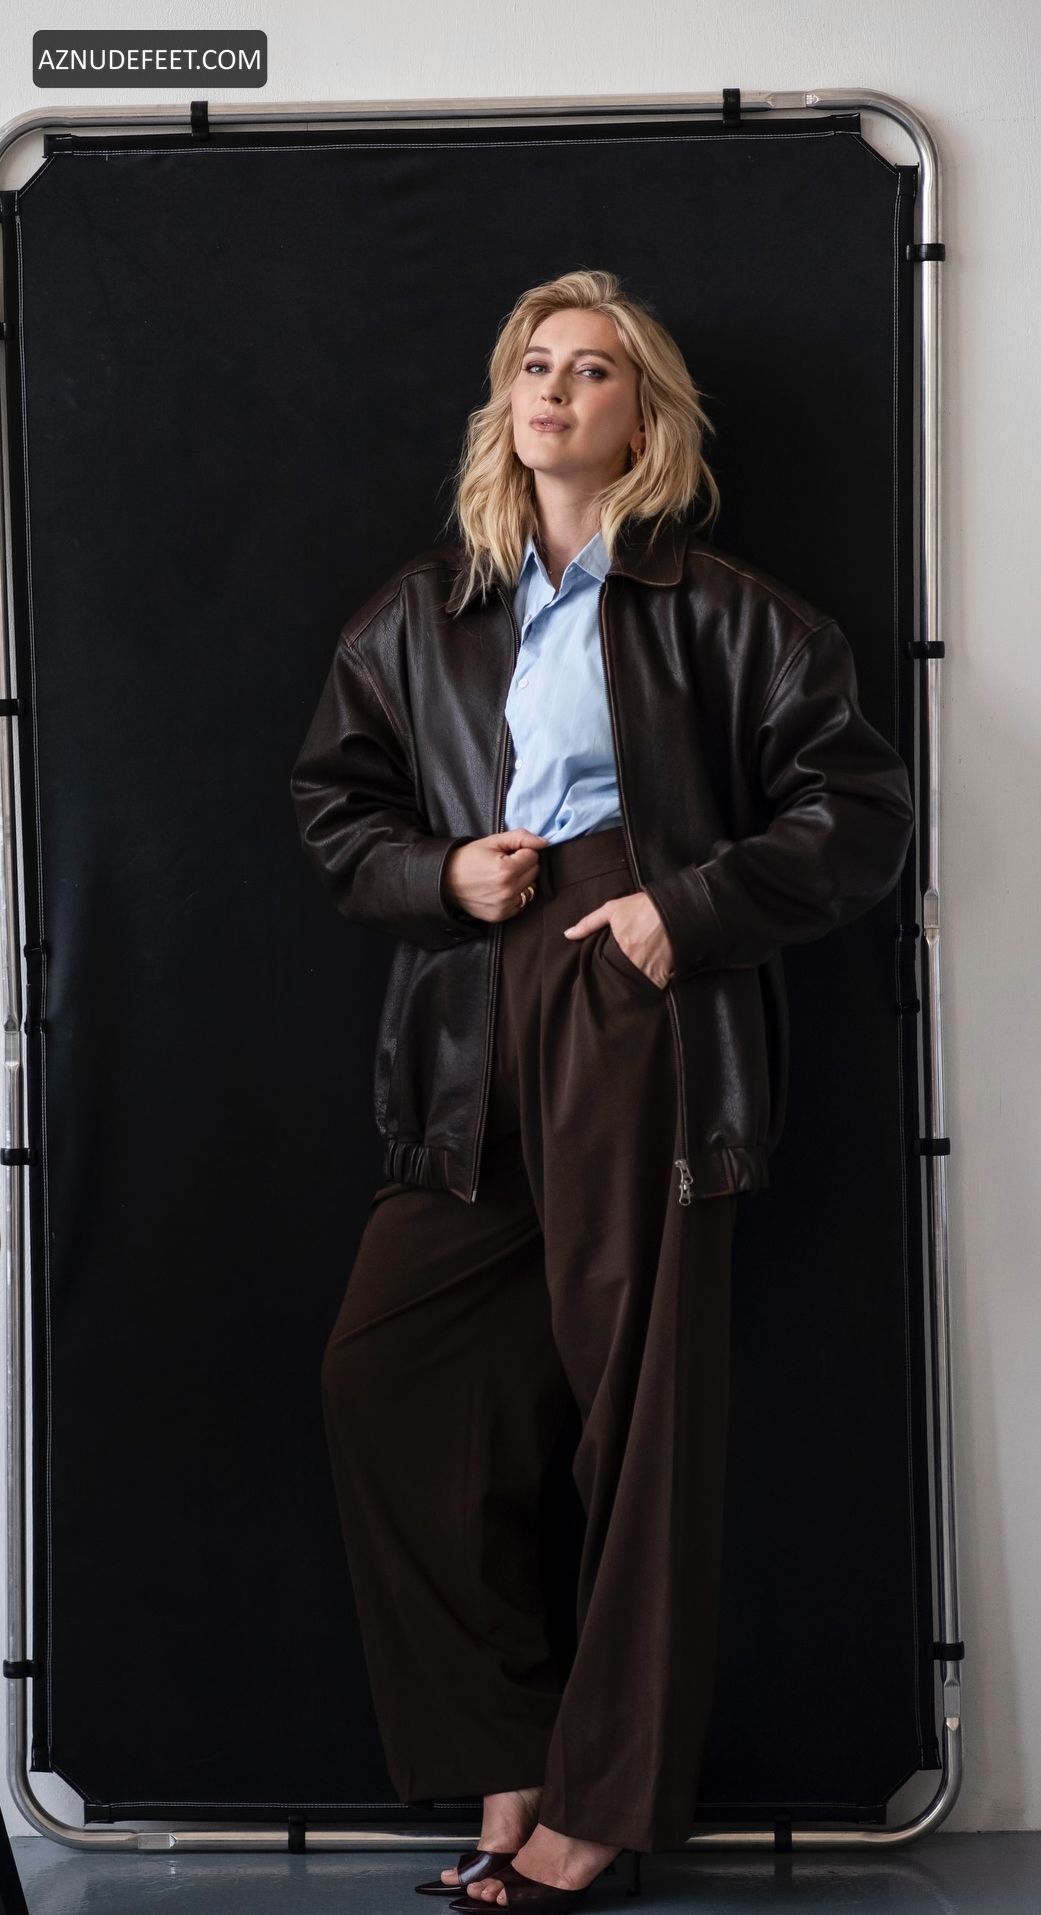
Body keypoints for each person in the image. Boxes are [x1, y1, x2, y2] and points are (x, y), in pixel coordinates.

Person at [290, 270, 915, 1910]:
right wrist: (437, 876)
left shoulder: (734, 615)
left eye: (590, 370)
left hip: (639, 996)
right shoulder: (419, 614)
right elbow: (333, 809)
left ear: (644, 419)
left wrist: (679, 911)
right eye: (532, 365)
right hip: (467, 1006)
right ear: (503, 403)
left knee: (639, 1422)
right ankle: (506, 1746)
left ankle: (599, 1809)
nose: (552, 390)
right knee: (387, 1371)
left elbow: (856, 813)